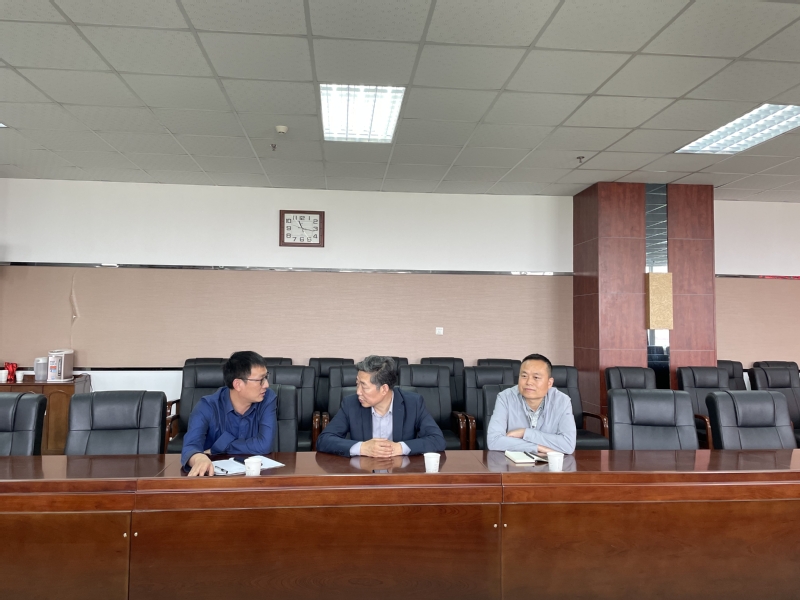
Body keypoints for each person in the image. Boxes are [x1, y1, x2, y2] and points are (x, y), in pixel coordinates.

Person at [316, 355, 446, 457]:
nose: (358, 392)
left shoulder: (413, 403)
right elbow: (324, 440)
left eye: (364, 386)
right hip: (364, 473)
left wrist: (399, 448)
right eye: (357, 384)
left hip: (400, 473)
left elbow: (437, 439)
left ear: (384, 389)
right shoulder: (351, 404)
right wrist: (362, 448)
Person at [181, 351, 277, 476]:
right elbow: (190, 446)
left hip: (257, 477)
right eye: (261, 380)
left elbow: (265, 445)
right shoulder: (207, 406)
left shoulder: (267, 398)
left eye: (266, 377)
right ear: (238, 384)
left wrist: (219, 446)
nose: (266, 385)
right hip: (215, 479)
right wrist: (199, 458)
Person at [486, 353, 576, 454]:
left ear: (549, 383)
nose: (529, 382)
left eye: (536, 377)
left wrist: (525, 433)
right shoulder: (505, 398)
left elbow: (568, 445)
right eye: (524, 376)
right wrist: (537, 447)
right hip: (511, 462)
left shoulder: (562, 401)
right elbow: (494, 441)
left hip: (550, 463)